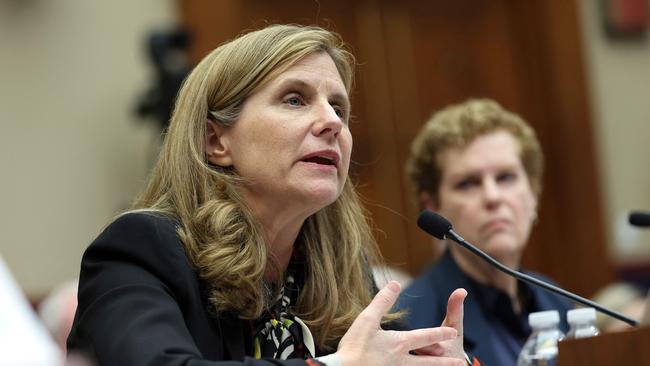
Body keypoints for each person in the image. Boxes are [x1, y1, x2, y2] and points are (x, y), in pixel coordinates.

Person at [66, 24, 471, 366]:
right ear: (215, 140)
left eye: (339, 109)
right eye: (295, 100)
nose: (331, 122)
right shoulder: (139, 251)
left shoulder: (333, 270)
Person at [397, 99, 572, 366]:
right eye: (467, 183)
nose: (493, 197)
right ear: (433, 206)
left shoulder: (557, 300)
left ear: (533, 195)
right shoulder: (410, 324)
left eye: (506, 177)